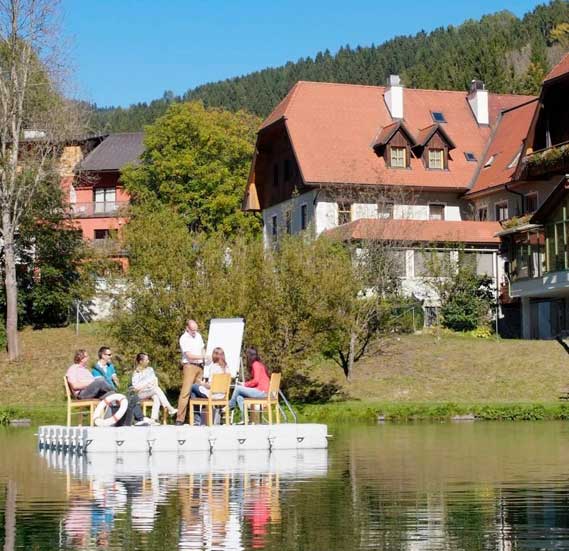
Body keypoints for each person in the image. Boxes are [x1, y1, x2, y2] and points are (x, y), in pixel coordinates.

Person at [66, 349, 147, 426]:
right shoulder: (73, 368)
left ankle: (126, 421)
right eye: (86, 356)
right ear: (81, 358)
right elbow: (74, 385)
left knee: (114, 396)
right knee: (100, 380)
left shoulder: (85, 369)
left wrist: (92, 383)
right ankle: (119, 391)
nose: (88, 358)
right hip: (82, 394)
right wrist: (90, 383)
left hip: (94, 392)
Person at [176, 319, 210, 425]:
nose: (194, 332)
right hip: (190, 366)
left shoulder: (198, 336)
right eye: (192, 330)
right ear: (187, 328)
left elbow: (202, 348)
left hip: (200, 366)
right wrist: (203, 357)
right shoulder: (184, 338)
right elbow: (189, 356)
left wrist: (205, 359)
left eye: (196, 330)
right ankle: (180, 419)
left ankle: (198, 419)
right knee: (185, 392)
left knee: (200, 391)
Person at [131, 352, 177, 424]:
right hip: (141, 393)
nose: (148, 361)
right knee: (156, 390)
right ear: (141, 361)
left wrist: (149, 385)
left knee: (156, 396)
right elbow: (136, 387)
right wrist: (147, 385)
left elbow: (155, 380)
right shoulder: (136, 373)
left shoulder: (150, 369)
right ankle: (170, 408)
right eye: (146, 360)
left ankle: (153, 419)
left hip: (151, 390)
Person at [229, 347, 269, 421]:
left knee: (238, 388)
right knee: (239, 397)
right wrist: (245, 384)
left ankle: (230, 405)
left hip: (261, 392)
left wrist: (244, 384)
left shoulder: (255, 364)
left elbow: (256, 381)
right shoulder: (260, 364)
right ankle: (245, 418)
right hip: (263, 391)